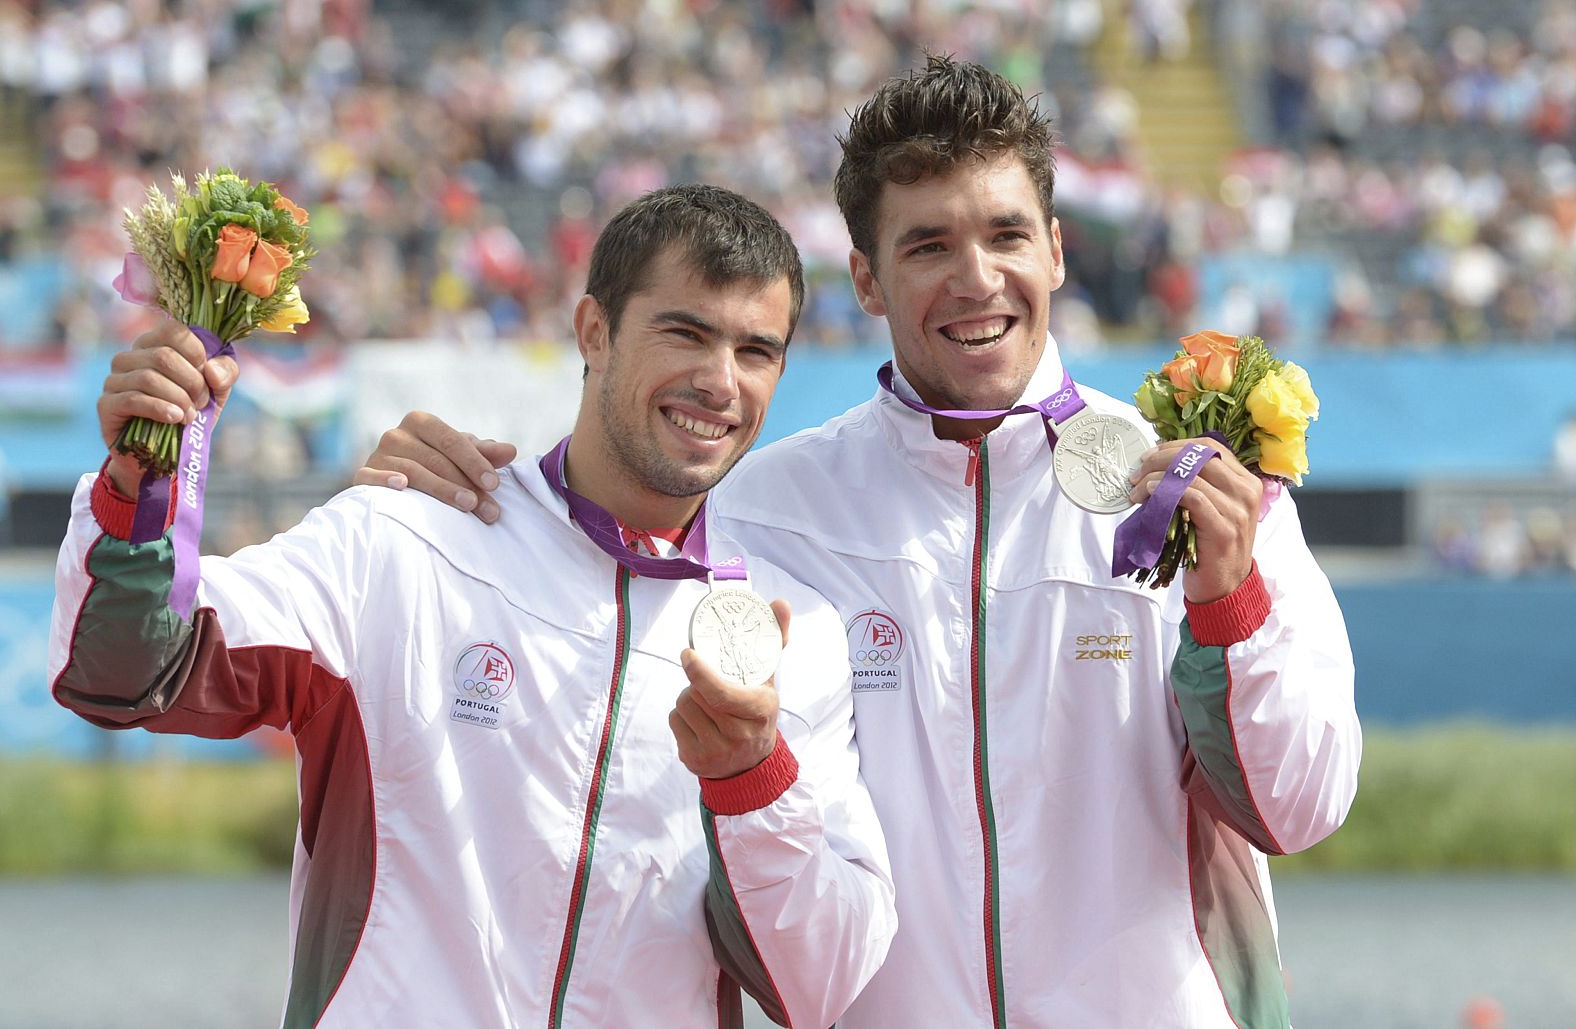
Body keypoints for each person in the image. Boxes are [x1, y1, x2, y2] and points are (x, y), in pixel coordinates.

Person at [365, 56, 1361, 1028]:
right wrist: (456, 491)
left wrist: (1227, 606)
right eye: (927, 246)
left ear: (1055, 249)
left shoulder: (1199, 488)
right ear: (869, 280)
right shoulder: (762, 510)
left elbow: (1299, 809)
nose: (977, 279)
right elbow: (580, 608)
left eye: (1006, 235)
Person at [46, 185, 895, 1028]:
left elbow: (814, 986)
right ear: (593, 330)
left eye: (756, 350)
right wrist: (139, 485)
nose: (719, 380)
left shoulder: (799, 641)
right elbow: (125, 672)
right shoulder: (406, 538)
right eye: (686, 332)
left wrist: (754, 779)